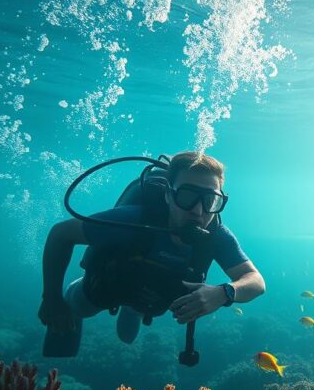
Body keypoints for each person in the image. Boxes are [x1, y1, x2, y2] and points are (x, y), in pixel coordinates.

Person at [37, 151, 265, 357]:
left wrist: (223, 293)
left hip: (149, 301)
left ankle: (132, 311)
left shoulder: (216, 236)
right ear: (168, 195)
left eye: (210, 200)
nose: (198, 211)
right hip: (106, 286)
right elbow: (60, 234)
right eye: (186, 196)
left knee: (127, 337)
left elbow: (255, 281)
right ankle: (78, 294)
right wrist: (52, 298)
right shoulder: (133, 221)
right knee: (79, 308)